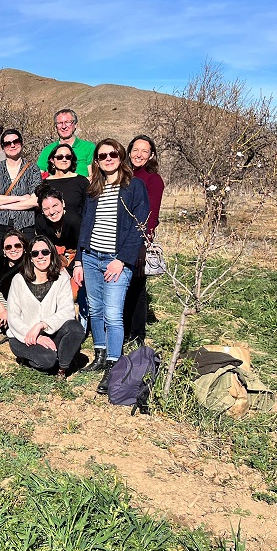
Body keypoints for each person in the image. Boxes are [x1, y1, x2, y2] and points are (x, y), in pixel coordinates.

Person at [74, 138, 150, 394]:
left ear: (121, 157)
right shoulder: (94, 188)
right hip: (91, 256)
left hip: (116, 258)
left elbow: (140, 227)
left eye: (113, 155)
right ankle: (100, 355)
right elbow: (86, 225)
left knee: (113, 313)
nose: (108, 159)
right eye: (102, 155)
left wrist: (122, 260)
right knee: (94, 308)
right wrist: (79, 259)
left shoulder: (134, 187)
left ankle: (114, 366)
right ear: (96, 160)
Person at [7, 235, 85, 377]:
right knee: (47, 360)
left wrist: (43, 325)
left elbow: (67, 311)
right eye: (35, 253)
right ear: (30, 257)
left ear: (51, 254)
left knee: (76, 328)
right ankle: (35, 357)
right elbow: (13, 317)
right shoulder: (18, 280)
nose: (40, 256)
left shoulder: (61, 278)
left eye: (45, 252)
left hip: (50, 331)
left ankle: (62, 368)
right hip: (23, 336)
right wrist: (35, 336)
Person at [124, 134, 165, 346]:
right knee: (121, 284)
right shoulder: (124, 174)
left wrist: (143, 241)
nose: (139, 155)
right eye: (135, 150)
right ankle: (121, 330)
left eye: (144, 151)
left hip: (138, 237)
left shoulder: (152, 179)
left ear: (151, 155)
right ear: (129, 151)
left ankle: (137, 334)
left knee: (137, 286)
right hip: (119, 236)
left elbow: (152, 215)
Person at [0, 129, 41, 263]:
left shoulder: (33, 169)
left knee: (26, 264)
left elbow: (35, 200)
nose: (12, 145)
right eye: (7, 143)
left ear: (21, 143)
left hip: (25, 224)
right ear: (2, 147)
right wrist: (20, 198)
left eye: (16, 141)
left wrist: (2, 204)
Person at [0, 230, 29, 343]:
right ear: (4, 251)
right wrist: (1, 308)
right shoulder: (1, 261)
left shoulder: (30, 264)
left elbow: (28, 296)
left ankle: (8, 327)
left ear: (24, 247)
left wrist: (9, 311)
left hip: (24, 304)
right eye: (8, 247)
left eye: (17, 245)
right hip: (5, 298)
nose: (13, 249)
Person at [37, 108, 96, 177]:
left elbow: (93, 177)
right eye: (59, 123)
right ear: (55, 127)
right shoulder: (47, 150)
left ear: (76, 125)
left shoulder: (88, 147)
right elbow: (38, 176)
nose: (64, 126)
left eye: (67, 122)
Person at [41, 142, 89, 215]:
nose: (64, 160)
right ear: (52, 160)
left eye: (68, 157)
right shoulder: (44, 183)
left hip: (76, 225)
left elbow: (88, 210)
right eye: (60, 157)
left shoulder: (82, 181)